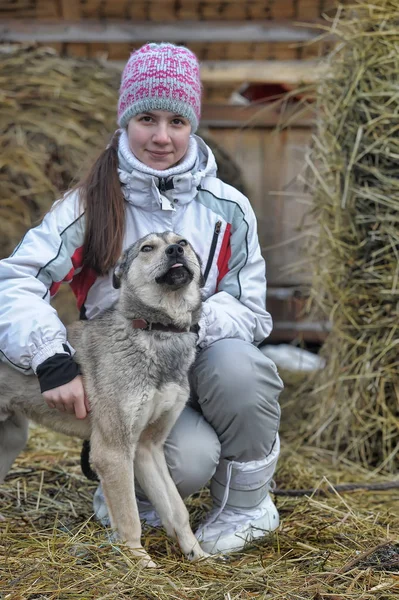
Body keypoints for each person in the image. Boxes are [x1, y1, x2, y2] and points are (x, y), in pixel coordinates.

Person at [0, 43, 283, 554]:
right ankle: (125, 493)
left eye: (176, 121)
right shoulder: (87, 204)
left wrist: (188, 320)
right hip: (120, 363)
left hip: (199, 353)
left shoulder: (228, 208)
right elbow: (16, 281)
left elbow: (251, 307)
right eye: (146, 118)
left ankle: (246, 507)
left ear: (192, 124)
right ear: (125, 120)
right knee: (185, 459)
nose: (161, 136)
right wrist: (49, 356)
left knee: (244, 371)